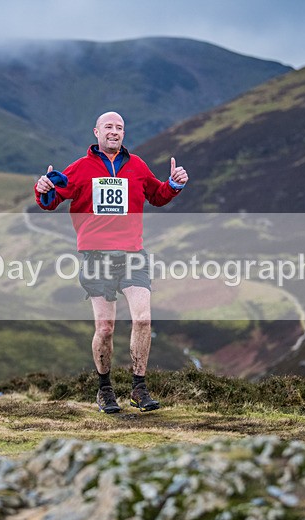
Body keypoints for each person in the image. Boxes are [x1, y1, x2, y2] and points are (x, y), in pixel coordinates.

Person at [34, 111, 189, 414]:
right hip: (96, 256)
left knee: (143, 320)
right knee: (105, 328)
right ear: (96, 132)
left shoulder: (137, 166)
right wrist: (43, 190)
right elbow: (52, 200)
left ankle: (139, 389)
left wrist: (173, 184)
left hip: (133, 255)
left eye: (119, 128)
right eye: (109, 127)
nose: (114, 132)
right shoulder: (79, 168)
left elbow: (157, 196)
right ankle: (105, 390)